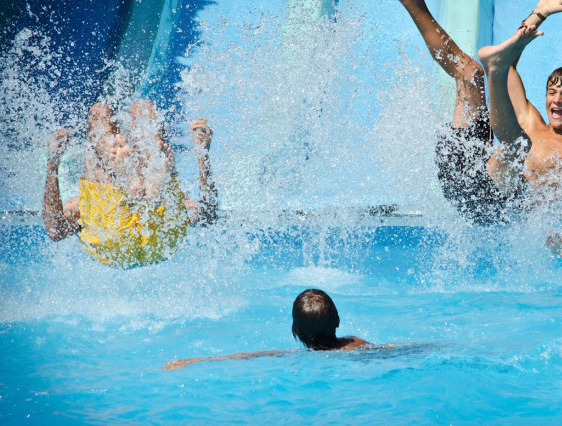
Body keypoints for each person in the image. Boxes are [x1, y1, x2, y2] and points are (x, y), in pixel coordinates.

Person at [390, 0, 562, 257]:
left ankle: (492, 70)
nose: (556, 99)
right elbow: (509, 66)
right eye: (552, 92)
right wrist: (539, 14)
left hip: (491, 209)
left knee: (518, 144)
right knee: (470, 73)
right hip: (464, 171)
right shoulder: (532, 121)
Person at [43, 99, 218, 266]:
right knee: (144, 109)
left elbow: (55, 230)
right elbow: (208, 216)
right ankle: (150, 190)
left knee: (99, 113)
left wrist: (53, 164)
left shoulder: (82, 203)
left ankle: (134, 186)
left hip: (111, 242)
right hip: (162, 240)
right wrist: (203, 156)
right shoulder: (181, 201)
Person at [162, 289, 370, 370]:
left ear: (295, 330)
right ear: (338, 321)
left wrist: (196, 360)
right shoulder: (356, 343)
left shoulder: (302, 356)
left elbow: (248, 356)